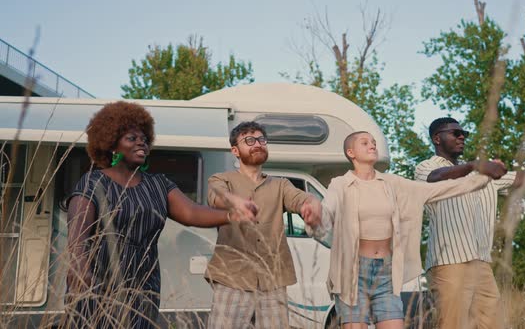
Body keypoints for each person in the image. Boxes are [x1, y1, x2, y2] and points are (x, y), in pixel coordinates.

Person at [65, 101, 258, 329]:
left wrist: (231, 215)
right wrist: (81, 271)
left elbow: (192, 212)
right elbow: (78, 237)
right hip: (98, 288)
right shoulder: (93, 182)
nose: (141, 144)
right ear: (112, 145)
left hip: (143, 288)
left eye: (144, 140)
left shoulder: (158, 185)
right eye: (132, 138)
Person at [306, 131, 496, 329]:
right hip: (352, 274)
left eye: (373, 142)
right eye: (365, 143)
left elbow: (437, 190)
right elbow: (326, 217)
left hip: (386, 273)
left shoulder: (391, 183)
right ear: (351, 152)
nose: (372, 145)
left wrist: (481, 179)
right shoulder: (340, 185)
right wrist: (314, 220)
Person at [415, 117, 525, 329]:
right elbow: (436, 177)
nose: (462, 137)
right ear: (437, 138)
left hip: (481, 263)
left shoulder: (483, 173)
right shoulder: (426, 166)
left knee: (494, 324)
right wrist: (475, 165)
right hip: (449, 262)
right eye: (455, 133)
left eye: (465, 134)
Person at [205, 121, 322, 329]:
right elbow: (216, 196)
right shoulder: (222, 179)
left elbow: (302, 198)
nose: (257, 144)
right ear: (235, 151)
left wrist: (312, 206)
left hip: (273, 279)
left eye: (261, 139)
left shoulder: (281, 184)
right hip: (232, 277)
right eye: (249, 140)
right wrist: (235, 202)